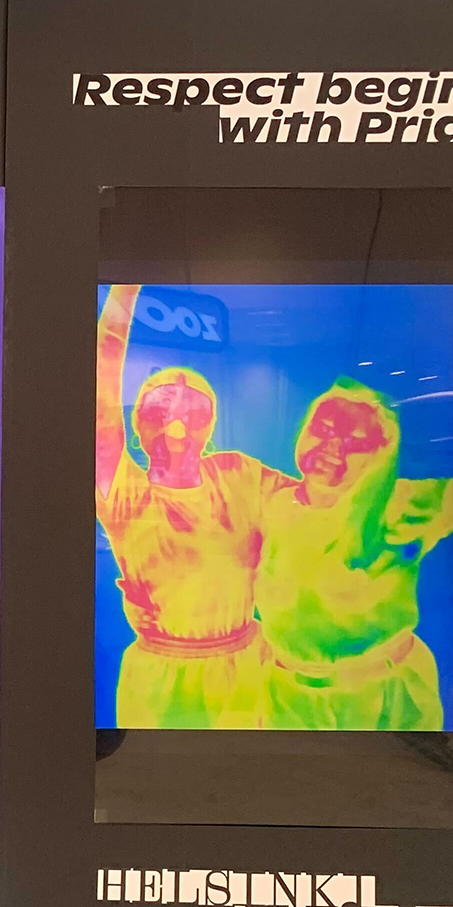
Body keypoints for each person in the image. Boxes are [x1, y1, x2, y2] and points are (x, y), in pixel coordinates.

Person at [95, 283, 290, 729]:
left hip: (247, 666)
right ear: (136, 427)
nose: (176, 430)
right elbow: (101, 381)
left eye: (193, 415)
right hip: (161, 678)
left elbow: (313, 510)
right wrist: (126, 282)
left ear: (211, 425)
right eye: (158, 414)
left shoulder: (238, 475)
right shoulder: (127, 496)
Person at [256, 381, 453, 730]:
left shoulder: (397, 506)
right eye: (324, 430)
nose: (334, 448)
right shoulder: (275, 502)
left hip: (382, 695)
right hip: (288, 696)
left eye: (357, 442)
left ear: (381, 453)